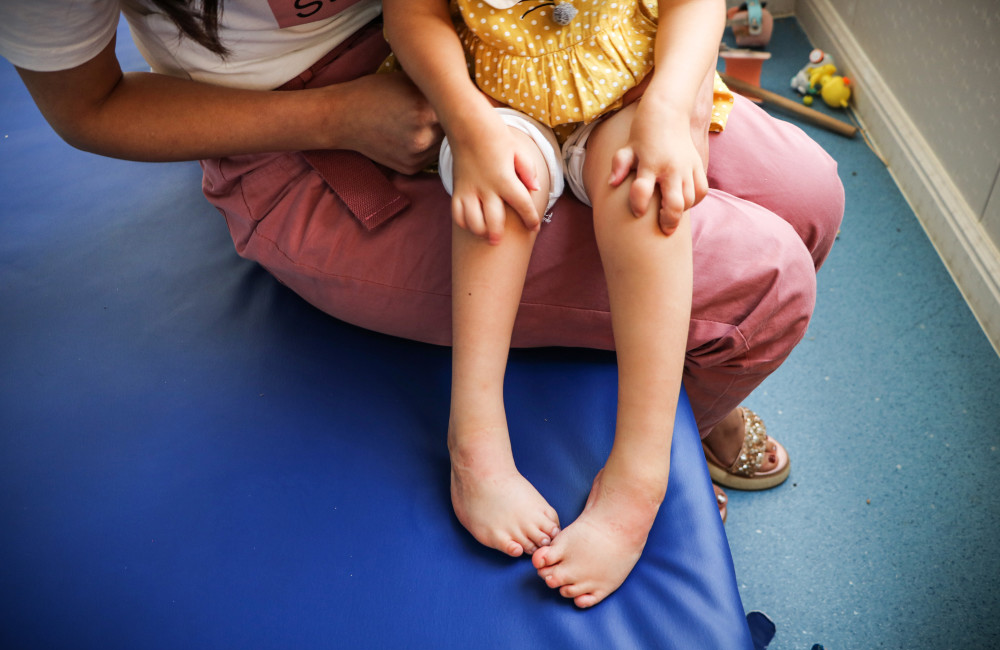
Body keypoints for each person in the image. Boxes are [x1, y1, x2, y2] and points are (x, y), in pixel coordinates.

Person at [0, 0, 841, 603]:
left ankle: (699, 399)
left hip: (583, 54)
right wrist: (338, 115)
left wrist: (675, 88)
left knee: (811, 197)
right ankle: (577, 434)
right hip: (387, 87)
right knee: (760, 287)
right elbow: (87, 107)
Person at [381, 0, 734, 608]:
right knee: (501, 194)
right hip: (495, 101)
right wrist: (468, 125)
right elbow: (410, 16)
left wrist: (669, 107)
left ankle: (639, 478)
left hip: (628, 93)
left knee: (648, 196)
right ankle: (476, 443)